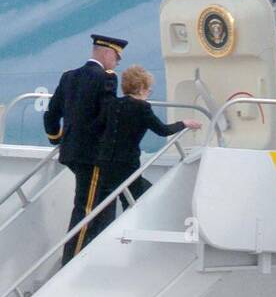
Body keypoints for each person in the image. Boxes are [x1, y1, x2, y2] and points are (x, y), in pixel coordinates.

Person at [43, 32, 127, 265]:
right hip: (93, 156)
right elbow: (107, 117)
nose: (117, 63)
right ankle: (71, 261)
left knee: (99, 203)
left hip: (71, 153)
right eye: (117, 58)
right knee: (86, 209)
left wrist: (57, 139)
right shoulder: (107, 78)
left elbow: (51, 114)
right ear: (108, 53)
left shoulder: (68, 77)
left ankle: (92, 253)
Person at [91, 65, 198, 237]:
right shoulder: (142, 108)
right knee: (136, 199)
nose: (149, 92)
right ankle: (128, 237)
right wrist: (184, 123)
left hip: (105, 162)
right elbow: (163, 130)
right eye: (149, 89)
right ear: (141, 88)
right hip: (127, 163)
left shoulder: (112, 104)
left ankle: (103, 236)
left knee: (107, 203)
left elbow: (97, 128)